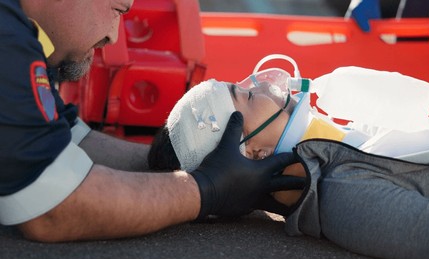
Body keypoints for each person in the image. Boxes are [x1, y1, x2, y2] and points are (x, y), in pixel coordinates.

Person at [0, 0, 302, 242]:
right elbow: (49, 208)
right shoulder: (7, 38)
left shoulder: (21, 33)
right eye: (117, 10)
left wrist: (182, 160)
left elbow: (68, 139)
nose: (113, 36)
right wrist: (207, 189)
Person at [148, 67, 429, 258]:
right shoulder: (347, 194)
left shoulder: (330, 144)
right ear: (252, 152)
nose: (266, 85)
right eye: (250, 95)